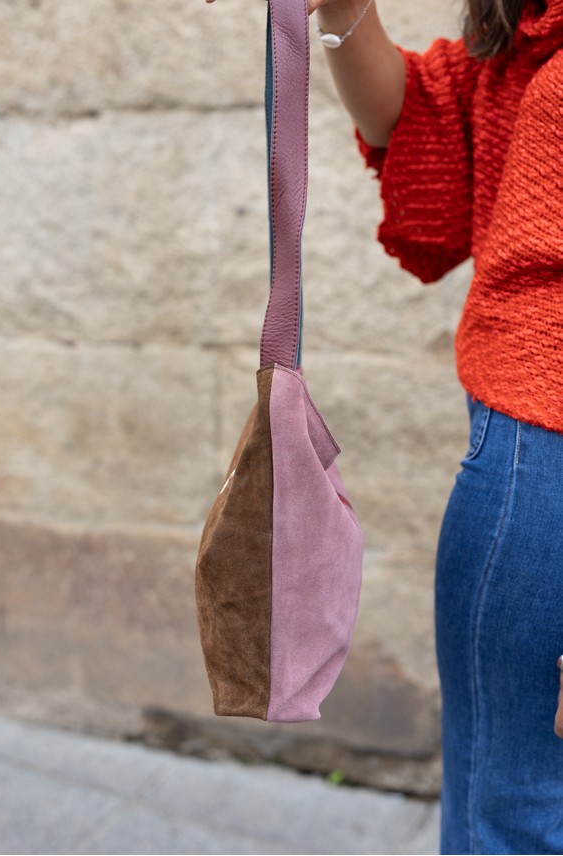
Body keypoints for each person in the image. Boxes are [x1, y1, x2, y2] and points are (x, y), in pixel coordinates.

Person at [206, 0, 562, 852]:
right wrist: (339, 8)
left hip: (541, 470)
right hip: (522, 462)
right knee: (511, 802)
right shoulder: (538, 35)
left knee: (513, 814)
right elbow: (430, 115)